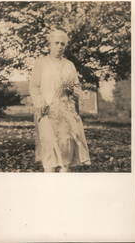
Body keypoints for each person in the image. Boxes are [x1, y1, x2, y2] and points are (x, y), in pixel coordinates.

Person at [29, 28, 91, 172]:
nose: (59, 46)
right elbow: (34, 86)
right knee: (49, 149)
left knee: (65, 151)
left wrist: (75, 91)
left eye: (62, 44)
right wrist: (40, 102)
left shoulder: (69, 65)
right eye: (56, 43)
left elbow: (76, 86)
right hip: (46, 111)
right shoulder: (41, 63)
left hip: (65, 112)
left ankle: (64, 184)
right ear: (49, 44)